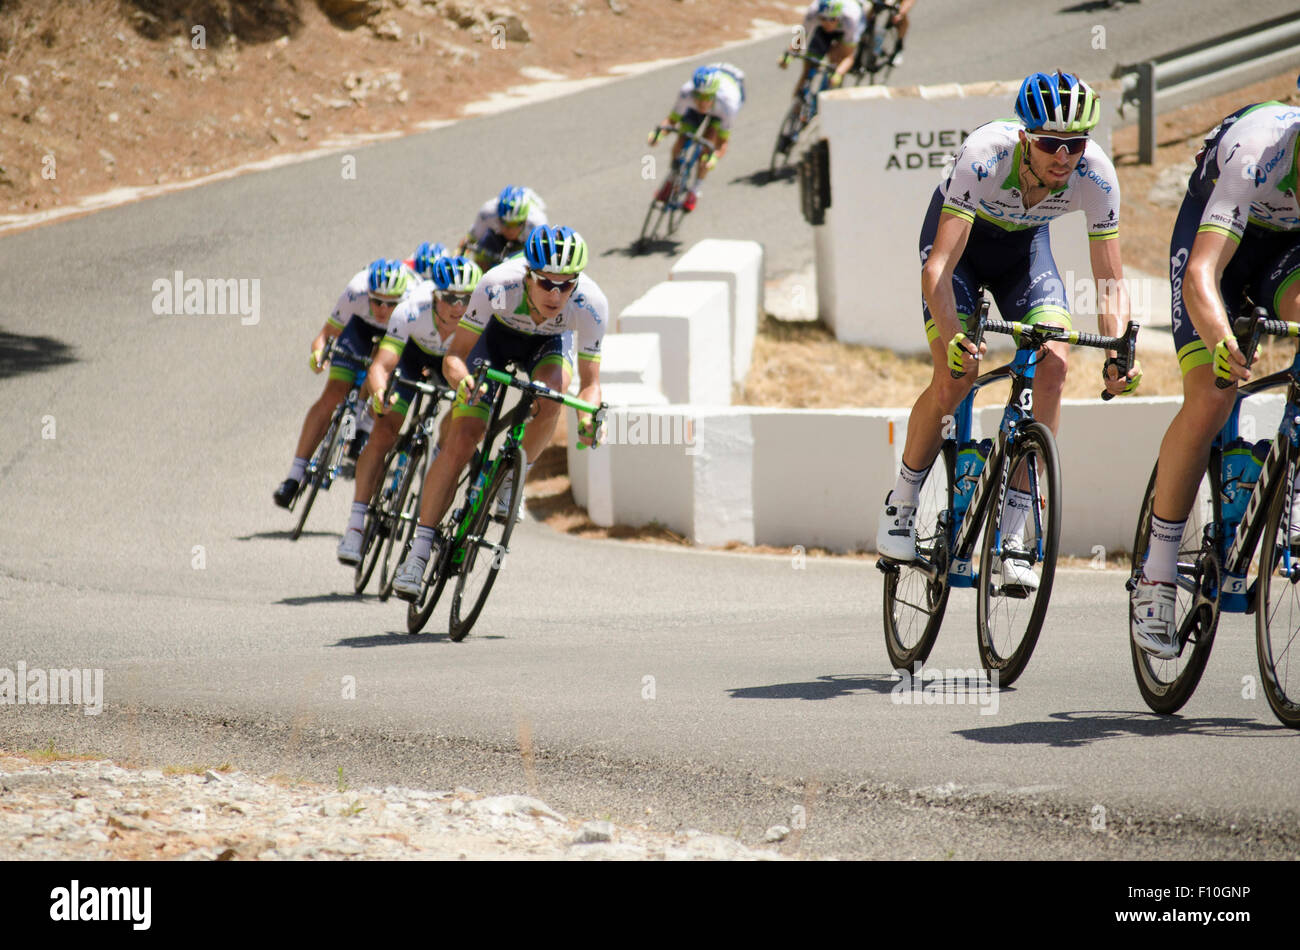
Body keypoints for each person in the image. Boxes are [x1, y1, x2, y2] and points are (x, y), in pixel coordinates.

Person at [875, 70, 1139, 591]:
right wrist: (953, 337)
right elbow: (937, 271)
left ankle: (1017, 529)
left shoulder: (1098, 175)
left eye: (1074, 145)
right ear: (1025, 137)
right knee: (957, 376)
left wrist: (1120, 354)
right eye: (1049, 144)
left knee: (1055, 362)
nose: (1063, 158)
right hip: (959, 257)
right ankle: (902, 501)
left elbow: (1110, 281)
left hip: (1024, 255)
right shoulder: (985, 154)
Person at [1130, 89, 1300, 659]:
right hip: (1217, 249)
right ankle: (1156, 575)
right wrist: (1224, 341)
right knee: (1211, 395)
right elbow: (1201, 274)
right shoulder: (1257, 150)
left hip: (1289, 254)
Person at [392, 226, 606, 599]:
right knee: (461, 439)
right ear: (527, 275)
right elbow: (455, 356)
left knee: (553, 394)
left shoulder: (591, 303)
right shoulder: (497, 284)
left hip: (548, 347)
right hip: (492, 341)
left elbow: (590, 385)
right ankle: (419, 551)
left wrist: (589, 416)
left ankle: (513, 477)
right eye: (546, 283)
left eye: (566, 285)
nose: (556, 295)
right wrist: (461, 383)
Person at [336, 256, 483, 564]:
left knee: (461, 423)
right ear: (435, 295)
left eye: (466, 299)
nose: (459, 306)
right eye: (450, 298)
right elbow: (381, 365)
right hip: (411, 359)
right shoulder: (411, 311)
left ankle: (437, 459)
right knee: (385, 430)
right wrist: (378, 393)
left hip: (454, 366)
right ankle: (355, 525)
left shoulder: (480, 319)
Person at [273, 259, 415, 508]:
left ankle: (364, 424)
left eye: (390, 303)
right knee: (333, 394)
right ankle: (294, 476)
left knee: (381, 382)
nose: (382, 308)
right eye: (377, 301)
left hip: (395, 336)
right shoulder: (356, 290)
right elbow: (326, 335)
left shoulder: (413, 301)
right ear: (367, 294)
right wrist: (318, 356)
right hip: (358, 329)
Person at [649, 63, 745, 212]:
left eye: (706, 97)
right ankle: (672, 179)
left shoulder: (729, 103)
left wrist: (714, 158)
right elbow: (672, 121)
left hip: (719, 112)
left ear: (714, 94)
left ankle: (695, 191)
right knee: (682, 139)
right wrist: (658, 134)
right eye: (698, 95)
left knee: (707, 149)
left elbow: (722, 143)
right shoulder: (687, 92)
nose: (701, 101)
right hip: (698, 110)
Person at [781, 0, 864, 93]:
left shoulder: (850, 20)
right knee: (808, 67)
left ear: (838, 17)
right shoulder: (813, 12)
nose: (828, 23)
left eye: (832, 19)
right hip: (823, 31)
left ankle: (827, 92)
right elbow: (800, 38)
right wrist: (788, 55)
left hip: (844, 30)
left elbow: (848, 57)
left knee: (837, 58)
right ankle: (798, 103)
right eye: (823, 18)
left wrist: (838, 73)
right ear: (819, 15)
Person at [458, 185, 547, 271]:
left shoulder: (537, 222)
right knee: (482, 251)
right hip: (497, 236)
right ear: (498, 216)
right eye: (505, 223)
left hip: (525, 242)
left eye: (515, 224)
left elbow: (542, 256)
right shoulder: (488, 212)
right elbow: (469, 240)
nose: (510, 230)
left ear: (524, 221)